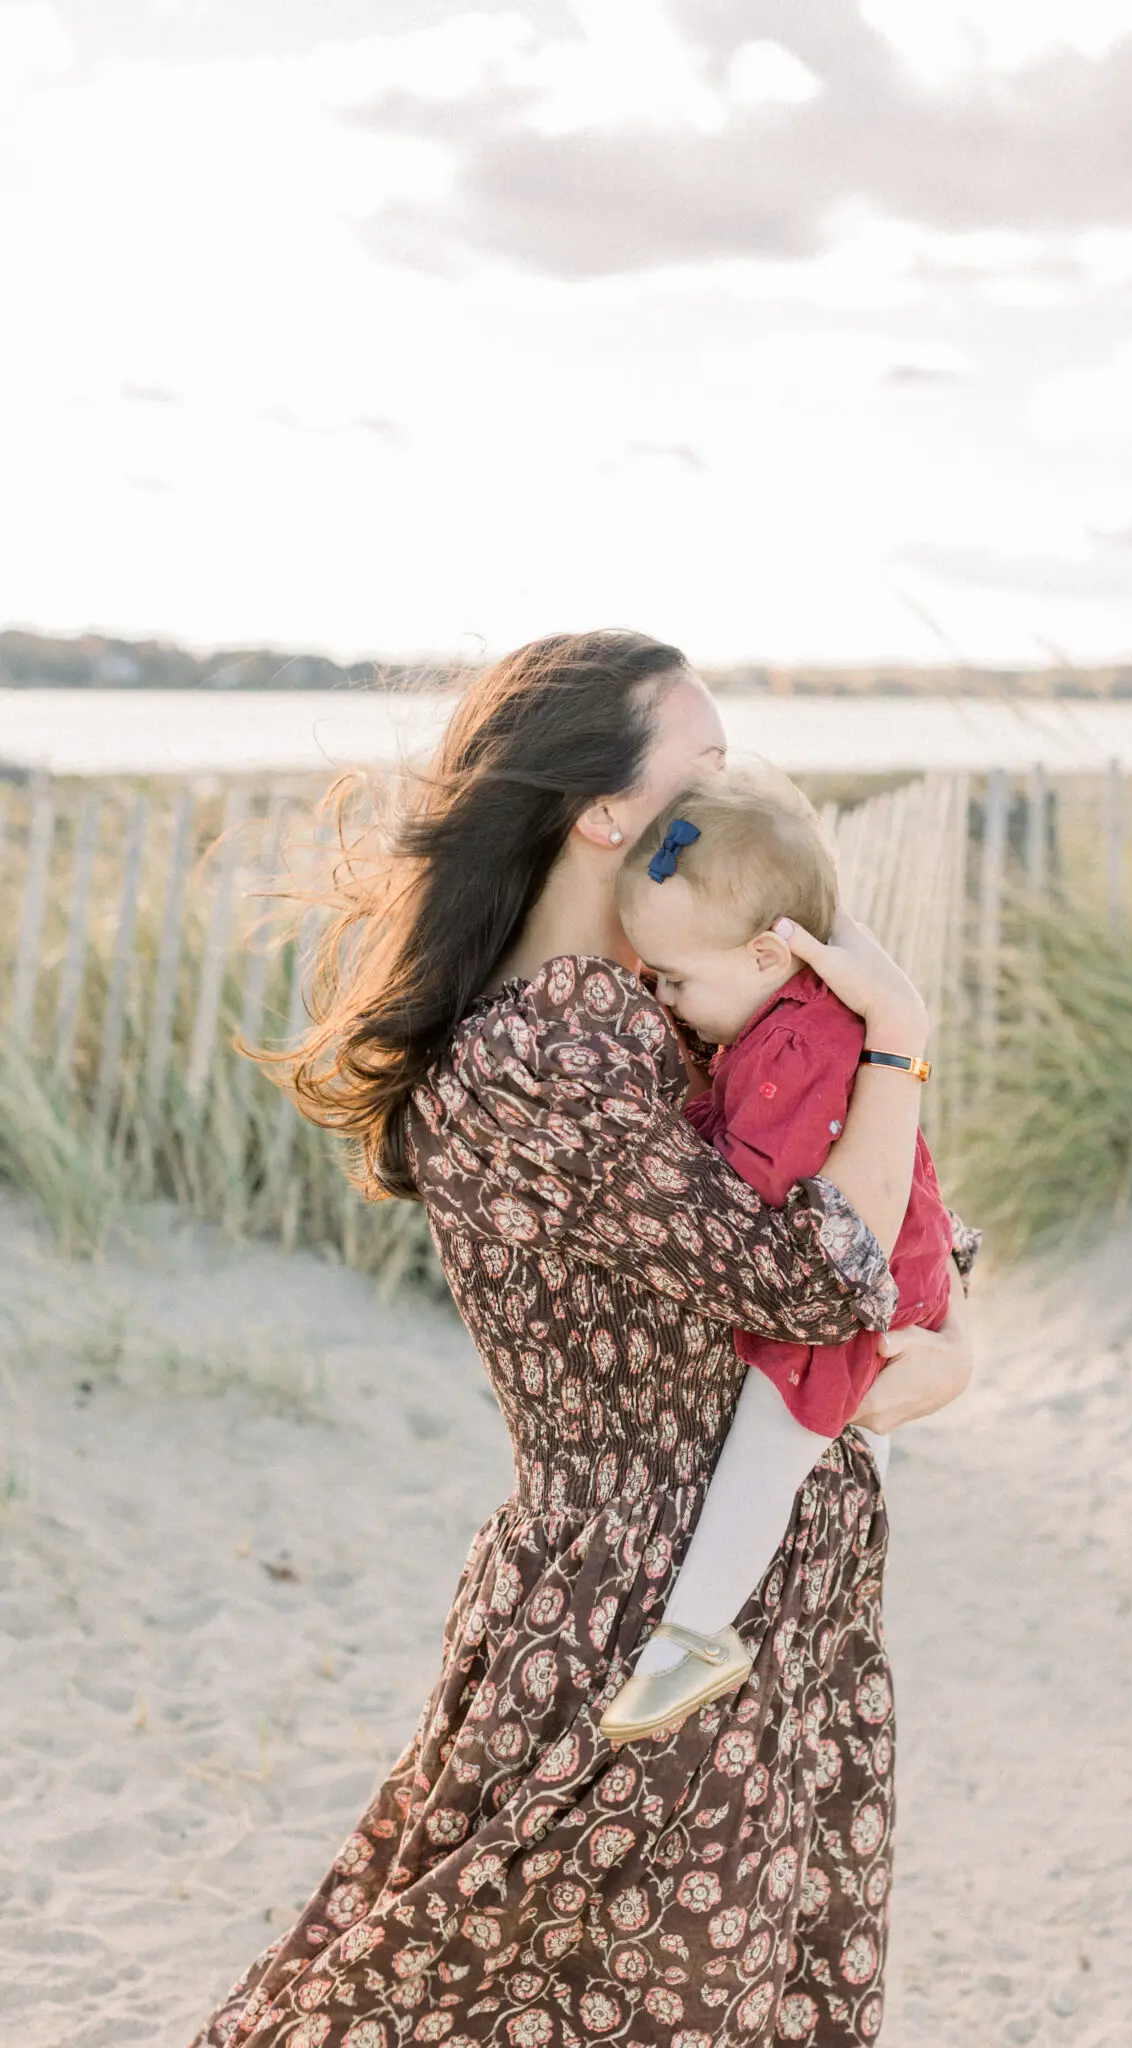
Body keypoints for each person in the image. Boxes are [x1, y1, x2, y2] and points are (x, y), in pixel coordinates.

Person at [188, 629, 975, 2048]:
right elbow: (813, 1278)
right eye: (705, 770)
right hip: (642, 1592)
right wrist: (898, 1045)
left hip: (751, 1589)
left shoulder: (658, 1008)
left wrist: (950, 1318)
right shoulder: (543, 1050)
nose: (734, 798)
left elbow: (883, 1216)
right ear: (605, 811)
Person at [600, 769, 980, 1743]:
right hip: (902, 1266)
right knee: (853, 1436)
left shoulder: (796, 1043)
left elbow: (764, 1184)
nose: (669, 998)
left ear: (771, 950)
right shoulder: (795, 1005)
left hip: (863, 1279)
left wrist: (686, 1136)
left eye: (678, 978)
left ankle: (694, 1631)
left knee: (774, 1435)